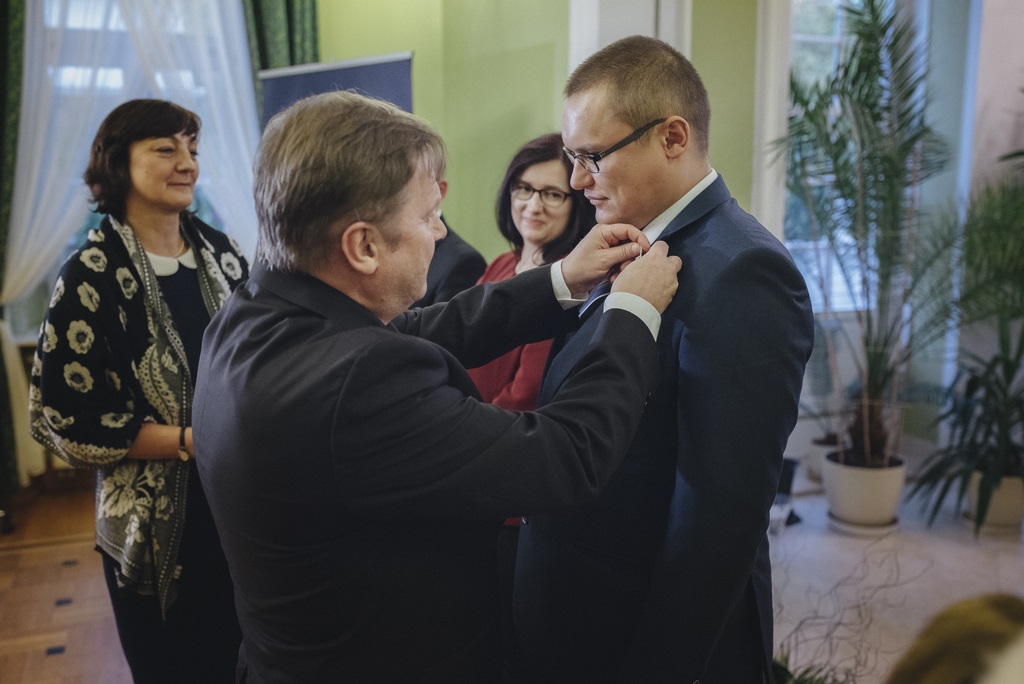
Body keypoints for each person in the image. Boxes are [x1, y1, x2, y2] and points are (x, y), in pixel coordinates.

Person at [191, 90, 682, 682]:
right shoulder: (355, 384)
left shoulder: (252, 311)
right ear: (363, 246)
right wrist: (631, 313)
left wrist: (561, 279)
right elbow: (565, 457)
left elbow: (413, 331)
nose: (442, 231)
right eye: (427, 217)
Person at [512, 35, 815, 683]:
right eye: (572, 157)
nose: (576, 180)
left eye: (592, 157)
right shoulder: (620, 242)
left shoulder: (743, 271)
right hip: (575, 613)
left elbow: (717, 520)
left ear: (672, 137)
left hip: (635, 631)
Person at [28, 99, 247, 682]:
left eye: (192, 149)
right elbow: (68, 416)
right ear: (118, 162)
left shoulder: (224, 255)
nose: (188, 163)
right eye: (166, 149)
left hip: (237, 506)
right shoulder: (88, 275)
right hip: (151, 532)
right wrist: (191, 440)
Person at [464, 132, 595, 680]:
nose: (533, 204)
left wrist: (450, 432)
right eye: (523, 188)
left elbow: (525, 396)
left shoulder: (569, 283)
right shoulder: (500, 265)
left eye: (552, 193)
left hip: (511, 499)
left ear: (576, 203)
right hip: (470, 476)